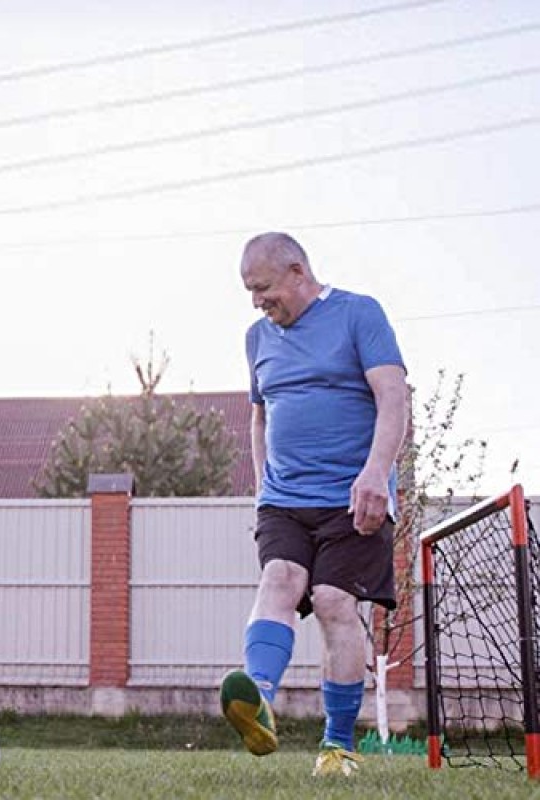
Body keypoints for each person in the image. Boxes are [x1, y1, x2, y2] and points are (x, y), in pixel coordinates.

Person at [220, 232, 408, 777]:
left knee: (332, 602)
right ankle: (255, 699)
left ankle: (337, 745)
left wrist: (376, 473)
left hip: (353, 495)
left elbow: (392, 395)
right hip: (284, 499)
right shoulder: (257, 337)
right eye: (249, 292)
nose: (257, 301)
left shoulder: (358, 314)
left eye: (263, 288)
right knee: (278, 578)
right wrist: (262, 487)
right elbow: (261, 414)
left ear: (298, 271)